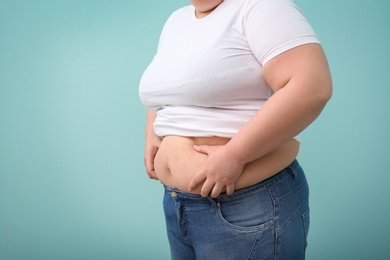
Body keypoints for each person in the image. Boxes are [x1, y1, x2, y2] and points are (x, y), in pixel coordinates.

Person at [139, 0, 332, 259]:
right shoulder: (177, 20)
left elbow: (311, 87)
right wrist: (152, 131)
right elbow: (168, 87)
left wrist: (235, 155)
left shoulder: (261, 7)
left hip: (246, 205)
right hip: (177, 203)